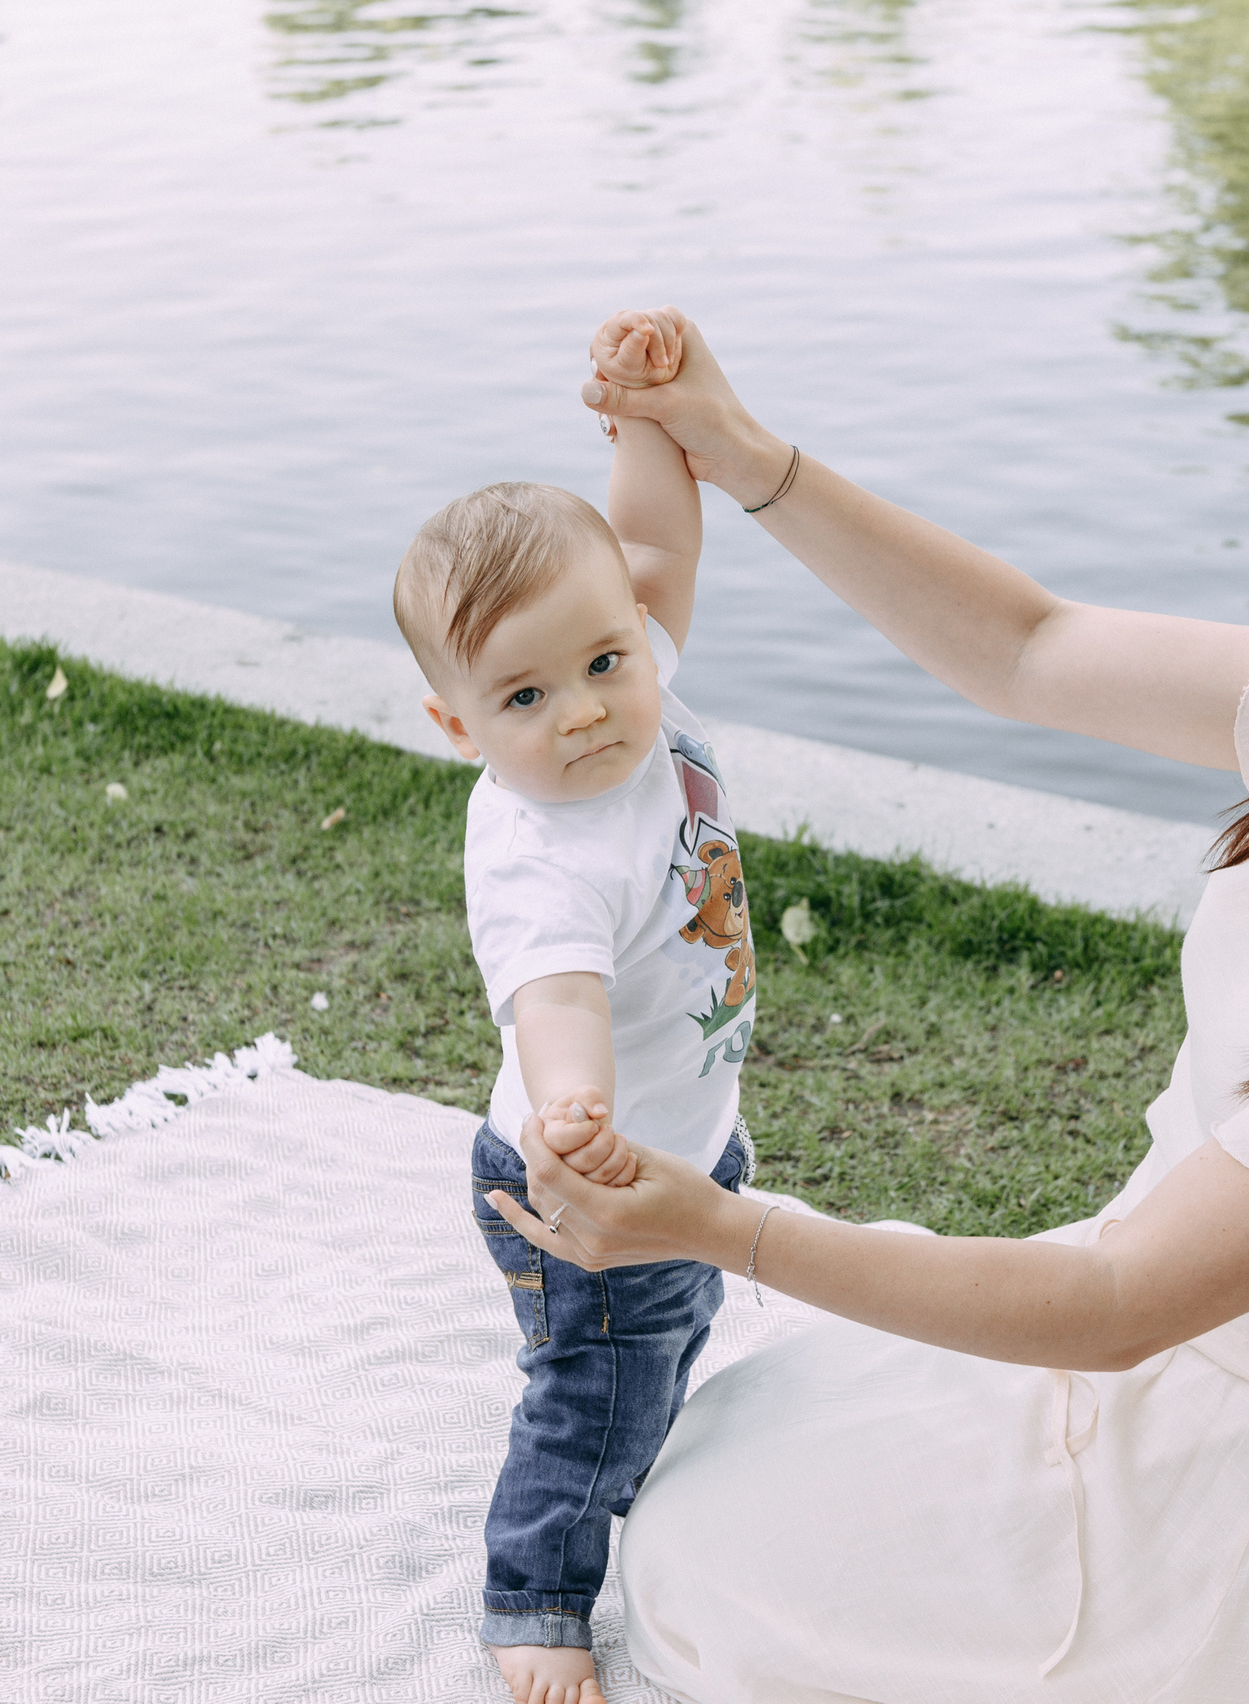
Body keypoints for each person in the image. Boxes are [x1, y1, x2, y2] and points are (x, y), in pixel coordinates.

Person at [481, 319, 1249, 1704]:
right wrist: (751, 459)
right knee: (734, 1449)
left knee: (701, 1565)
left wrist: (720, 1229)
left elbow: (1113, 1303)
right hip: (1214, 1364)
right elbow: (1029, 649)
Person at [393, 309, 762, 1704]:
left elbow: (655, 550)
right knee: (590, 1394)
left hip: (683, 1137)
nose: (591, 710)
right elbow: (552, 995)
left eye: (606, 661)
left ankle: (640, 1446)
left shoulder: (641, 675)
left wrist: (651, 423)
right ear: (459, 727)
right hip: (589, 1167)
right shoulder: (543, 851)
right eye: (528, 696)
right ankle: (534, 1603)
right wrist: (576, 1107)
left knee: (655, 1348)